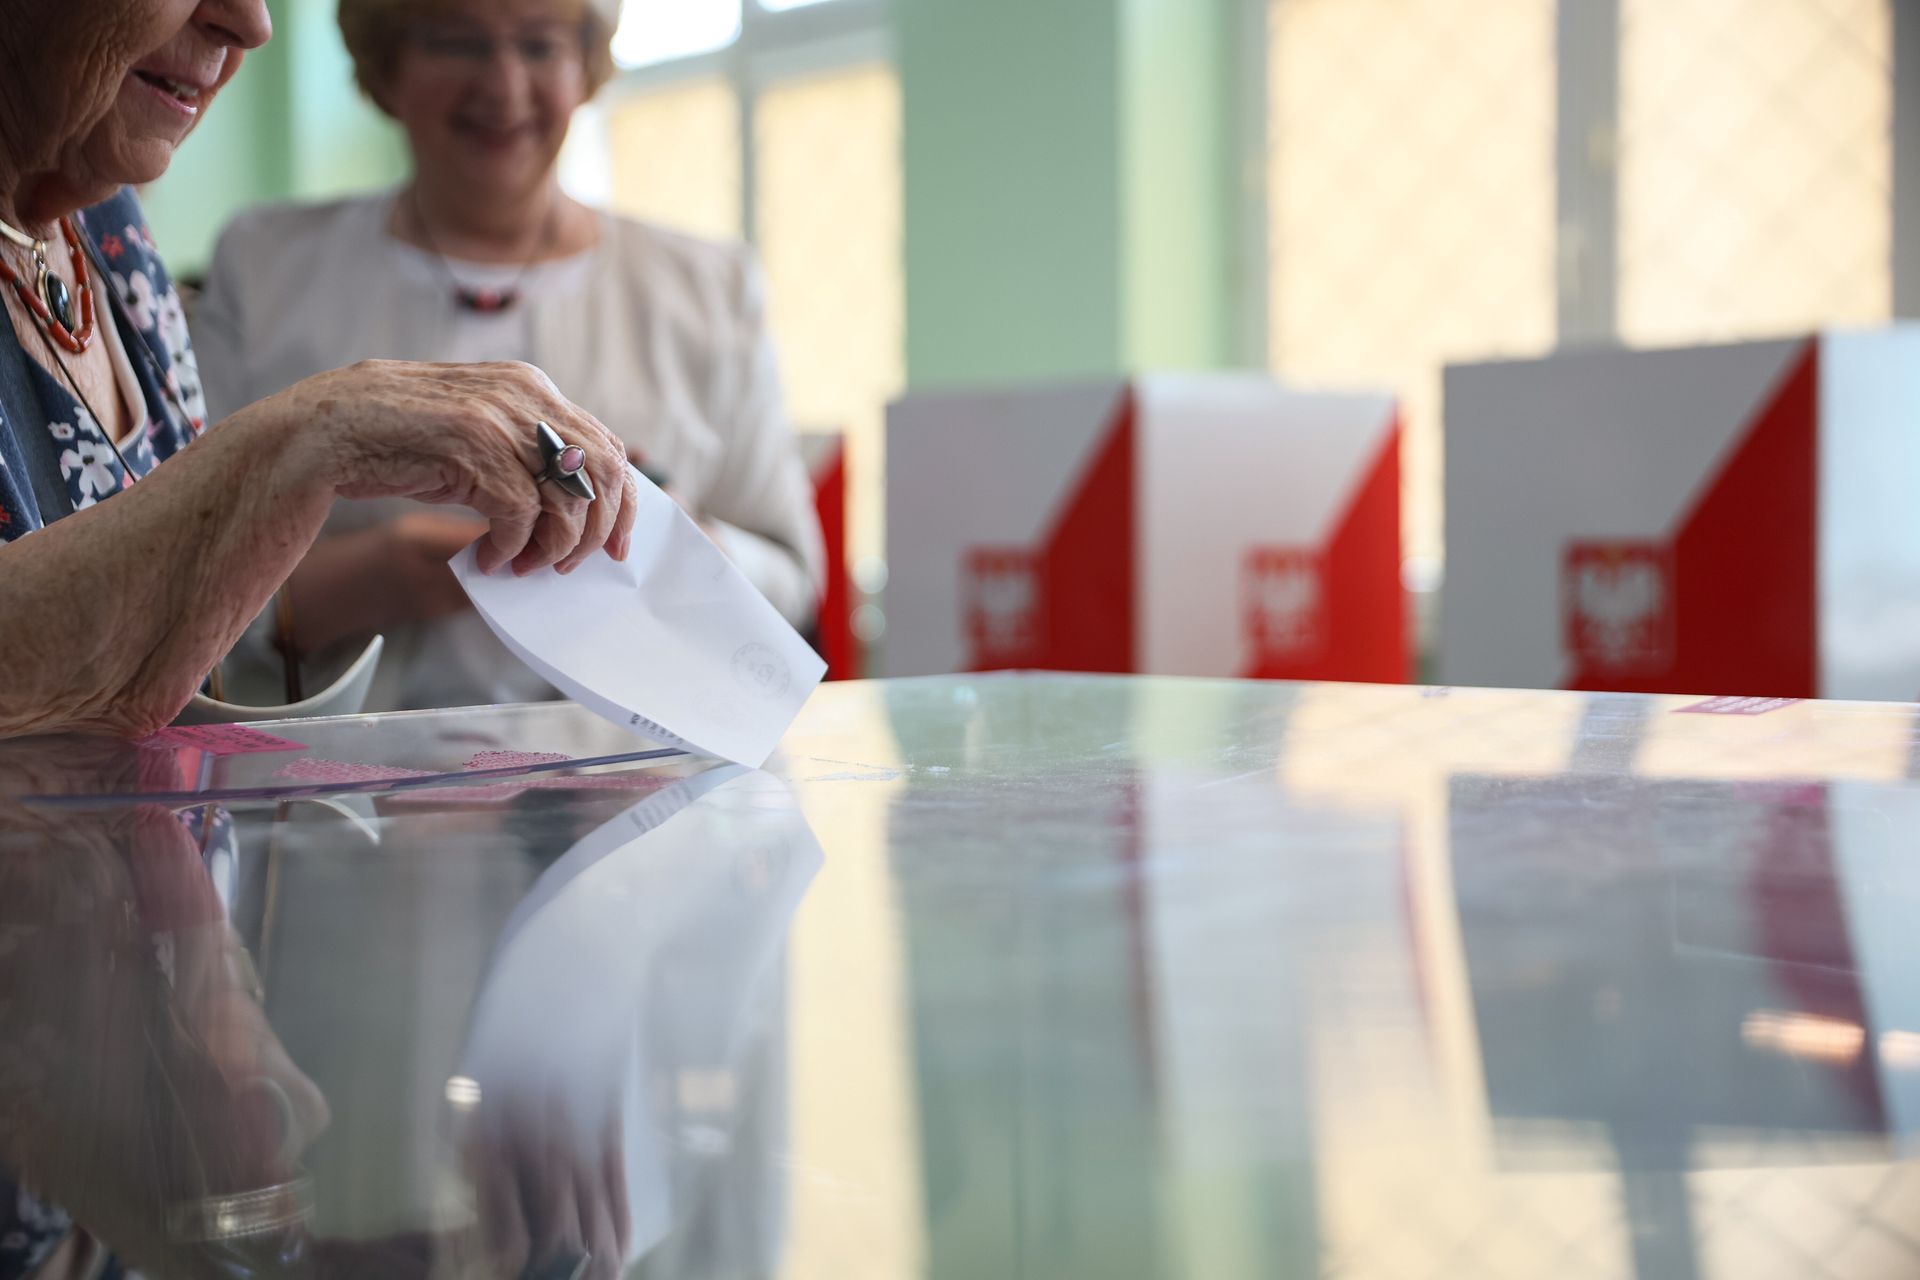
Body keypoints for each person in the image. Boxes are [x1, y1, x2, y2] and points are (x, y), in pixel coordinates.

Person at [0, 0, 642, 743]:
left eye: (539, 45)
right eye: (454, 41)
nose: (252, 22)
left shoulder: (107, 227)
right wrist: (310, 441)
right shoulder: (261, 256)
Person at [195, 0, 826, 711]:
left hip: (637, 780)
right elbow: (177, 581)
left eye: (539, 46)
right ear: (386, 63)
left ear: (585, 64)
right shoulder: (267, 269)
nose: (503, 87)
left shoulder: (708, 288)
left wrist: (680, 542)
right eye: (456, 43)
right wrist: (384, 575)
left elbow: (793, 578)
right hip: (349, 793)